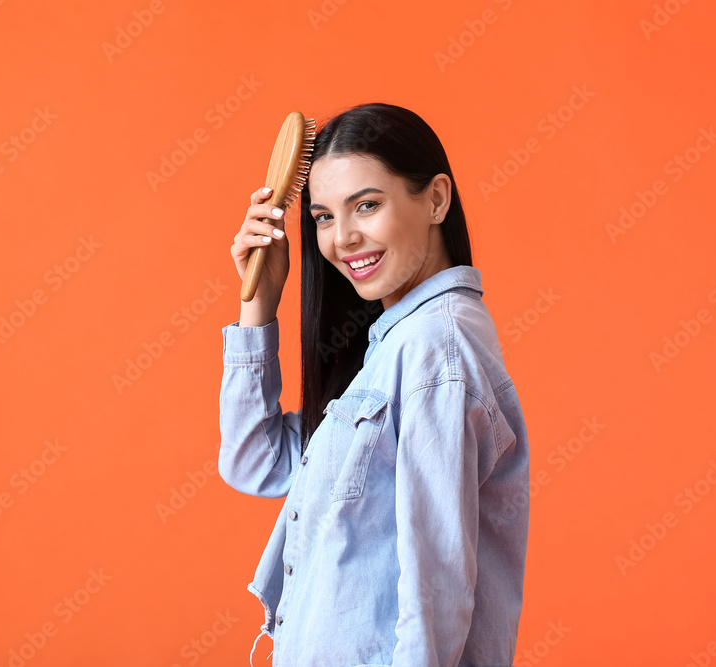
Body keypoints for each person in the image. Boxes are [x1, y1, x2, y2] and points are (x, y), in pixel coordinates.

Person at [218, 102, 529, 667]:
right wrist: (259, 307)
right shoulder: (392, 347)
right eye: (323, 217)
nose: (343, 238)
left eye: (367, 205)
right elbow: (255, 462)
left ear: (436, 199)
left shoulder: (434, 350)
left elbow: (435, 590)